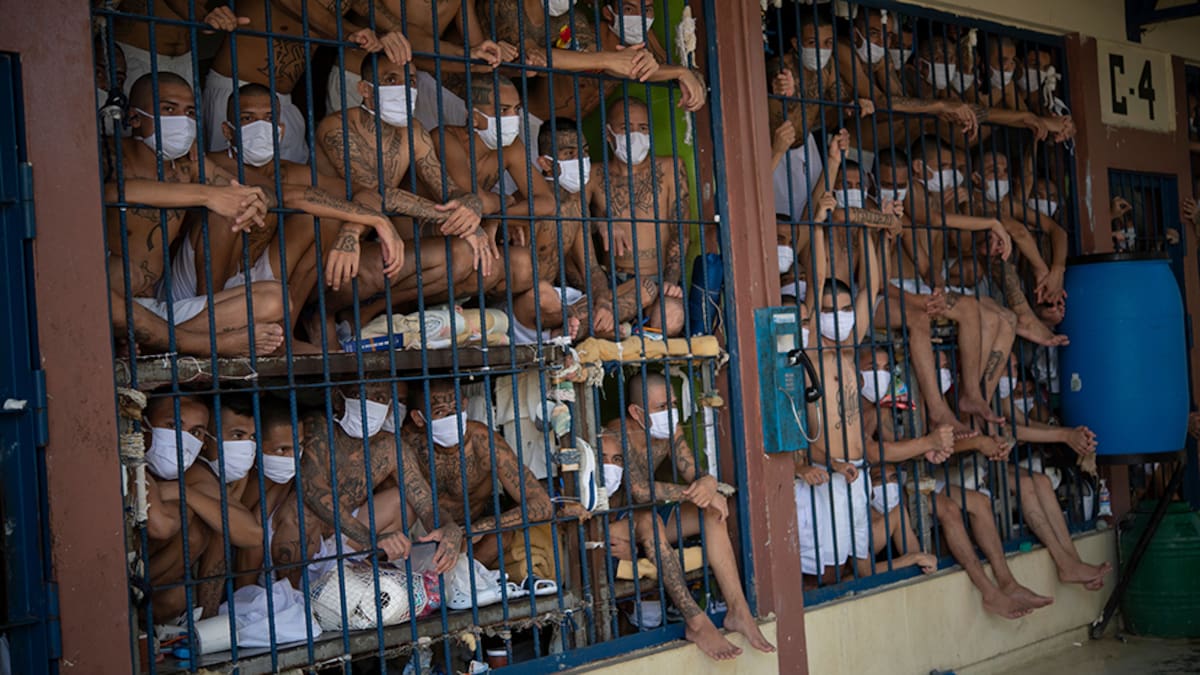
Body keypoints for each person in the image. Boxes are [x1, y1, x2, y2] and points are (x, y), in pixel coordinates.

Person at [194, 83, 406, 347]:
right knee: (227, 216)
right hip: (208, 285)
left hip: (261, 279)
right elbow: (284, 194)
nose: (260, 127)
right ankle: (208, 335)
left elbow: (367, 192)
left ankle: (283, 335)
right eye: (247, 119)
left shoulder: (291, 171)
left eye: (269, 119)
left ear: (280, 131)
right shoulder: (214, 163)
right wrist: (377, 220)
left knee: (323, 220)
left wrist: (352, 230)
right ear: (227, 130)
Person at [316, 58, 521, 324]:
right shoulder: (337, 127)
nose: (403, 88)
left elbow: (447, 189)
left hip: (378, 242)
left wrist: (468, 205)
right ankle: (320, 316)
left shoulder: (413, 131)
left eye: (410, 81)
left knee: (466, 255)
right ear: (364, 89)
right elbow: (375, 193)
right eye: (391, 80)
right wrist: (455, 218)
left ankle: (370, 313)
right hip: (329, 243)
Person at [106, 73, 285, 358]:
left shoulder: (187, 166)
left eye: (190, 112)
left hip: (161, 305)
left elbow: (244, 190)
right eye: (168, 109)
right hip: (110, 303)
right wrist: (207, 195)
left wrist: (259, 200)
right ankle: (199, 345)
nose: (183, 120)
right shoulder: (109, 155)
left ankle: (161, 344)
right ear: (134, 118)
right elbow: (111, 193)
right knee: (118, 273)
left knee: (276, 299)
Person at [602, 373, 774, 661]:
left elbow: (693, 473)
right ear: (636, 412)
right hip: (611, 525)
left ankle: (738, 610)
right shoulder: (618, 433)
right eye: (661, 407)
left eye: (672, 403)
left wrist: (707, 485)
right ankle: (696, 623)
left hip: (644, 520)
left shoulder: (671, 430)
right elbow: (640, 490)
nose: (670, 412)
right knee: (652, 520)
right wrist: (694, 492)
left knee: (711, 511)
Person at [399, 379, 578, 584]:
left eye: (456, 409)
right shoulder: (408, 445)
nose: (452, 418)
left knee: (499, 537)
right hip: (424, 539)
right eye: (440, 412)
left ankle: (457, 582)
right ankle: (441, 582)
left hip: (471, 538)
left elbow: (542, 505)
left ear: (465, 405)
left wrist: (481, 527)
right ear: (418, 418)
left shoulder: (482, 440)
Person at [203, 0, 411, 163]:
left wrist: (391, 39)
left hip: (284, 102)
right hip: (236, 93)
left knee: (289, 181)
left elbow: (402, 29)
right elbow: (303, 8)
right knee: (234, 182)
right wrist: (350, 33)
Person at [794, 220, 881, 583]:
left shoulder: (849, 348)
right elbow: (815, 282)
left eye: (845, 309)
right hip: (826, 471)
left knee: (858, 560)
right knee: (825, 570)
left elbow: (872, 287)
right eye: (830, 310)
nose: (840, 316)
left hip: (856, 469)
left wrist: (866, 231)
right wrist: (816, 227)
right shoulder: (810, 352)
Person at [272, 383, 415, 587]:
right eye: (359, 395)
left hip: (341, 540)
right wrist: (371, 538)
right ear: (338, 399)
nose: (370, 405)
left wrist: (447, 529)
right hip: (300, 538)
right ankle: (291, 595)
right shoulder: (318, 425)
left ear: (390, 408)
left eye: (380, 399)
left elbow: (424, 501)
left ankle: (346, 578)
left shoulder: (389, 444)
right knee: (303, 511)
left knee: (403, 501)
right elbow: (312, 493)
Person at [520, 118, 640, 341]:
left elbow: (591, 269)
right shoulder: (529, 205)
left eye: (584, 152)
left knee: (645, 288)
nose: (581, 160)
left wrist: (603, 303)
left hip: (564, 303)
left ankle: (577, 328)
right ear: (545, 163)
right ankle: (585, 328)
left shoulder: (576, 205)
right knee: (543, 295)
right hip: (528, 305)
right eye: (569, 154)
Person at [587, 99, 689, 336]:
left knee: (671, 318)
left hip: (660, 281)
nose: (636, 135)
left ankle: (628, 331)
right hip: (612, 285)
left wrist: (670, 282)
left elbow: (681, 230)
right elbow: (571, 222)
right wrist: (599, 223)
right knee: (598, 321)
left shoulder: (671, 168)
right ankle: (625, 330)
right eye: (626, 127)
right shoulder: (592, 175)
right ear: (608, 133)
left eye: (643, 128)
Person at [140, 392, 213, 621]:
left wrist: (187, 497)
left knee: (197, 533)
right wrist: (189, 506)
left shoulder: (195, 476)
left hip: (147, 585)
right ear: (144, 426)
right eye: (172, 426)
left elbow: (249, 534)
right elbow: (160, 526)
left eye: (195, 433)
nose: (183, 440)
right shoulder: (133, 465)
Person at [191, 394, 267, 615]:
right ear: (206, 440)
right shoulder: (196, 472)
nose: (246, 445)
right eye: (237, 435)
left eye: (252, 437)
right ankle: (207, 617)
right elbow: (251, 534)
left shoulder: (237, 474)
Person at [111, 0, 246, 94]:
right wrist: (201, 18)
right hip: (137, 52)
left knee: (186, 131)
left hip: (185, 59)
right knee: (131, 127)